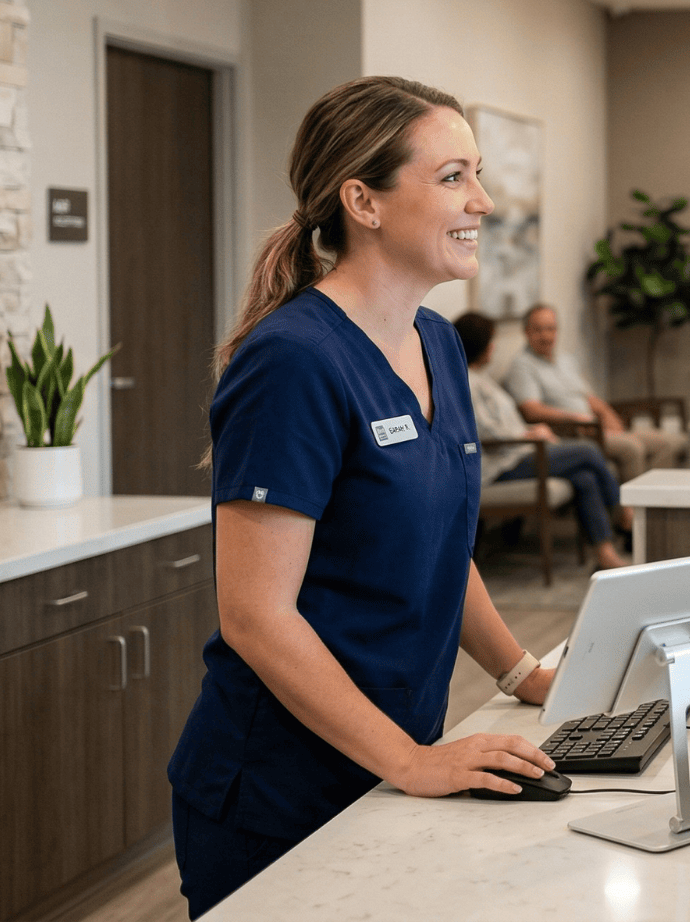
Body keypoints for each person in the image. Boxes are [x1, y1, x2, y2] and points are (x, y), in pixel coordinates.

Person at [168, 77, 557, 918]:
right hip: (279, 790)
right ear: (363, 202)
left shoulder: (437, 343)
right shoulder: (295, 362)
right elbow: (256, 615)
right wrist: (411, 763)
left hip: (388, 759)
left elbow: (441, 549)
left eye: (478, 175)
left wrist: (521, 672)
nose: (482, 202)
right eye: (454, 176)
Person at [452, 311, 632, 569]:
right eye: (491, 340)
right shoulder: (466, 382)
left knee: (585, 477)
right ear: (478, 344)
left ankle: (605, 555)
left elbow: (504, 425)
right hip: (501, 465)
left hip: (518, 452)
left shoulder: (483, 379)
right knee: (587, 451)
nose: (494, 347)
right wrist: (529, 435)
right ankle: (624, 513)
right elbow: (483, 430)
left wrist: (531, 429)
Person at [503, 303, 683, 483]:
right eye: (538, 330)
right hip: (572, 434)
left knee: (669, 443)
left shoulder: (565, 360)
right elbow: (531, 410)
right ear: (526, 332)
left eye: (551, 329)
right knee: (632, 448)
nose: (546, 336)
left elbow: (588, 397)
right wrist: (576, 418)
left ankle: (652, 500)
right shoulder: (522, 365)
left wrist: (607, 415)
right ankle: (635, 509)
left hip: (596, 427)